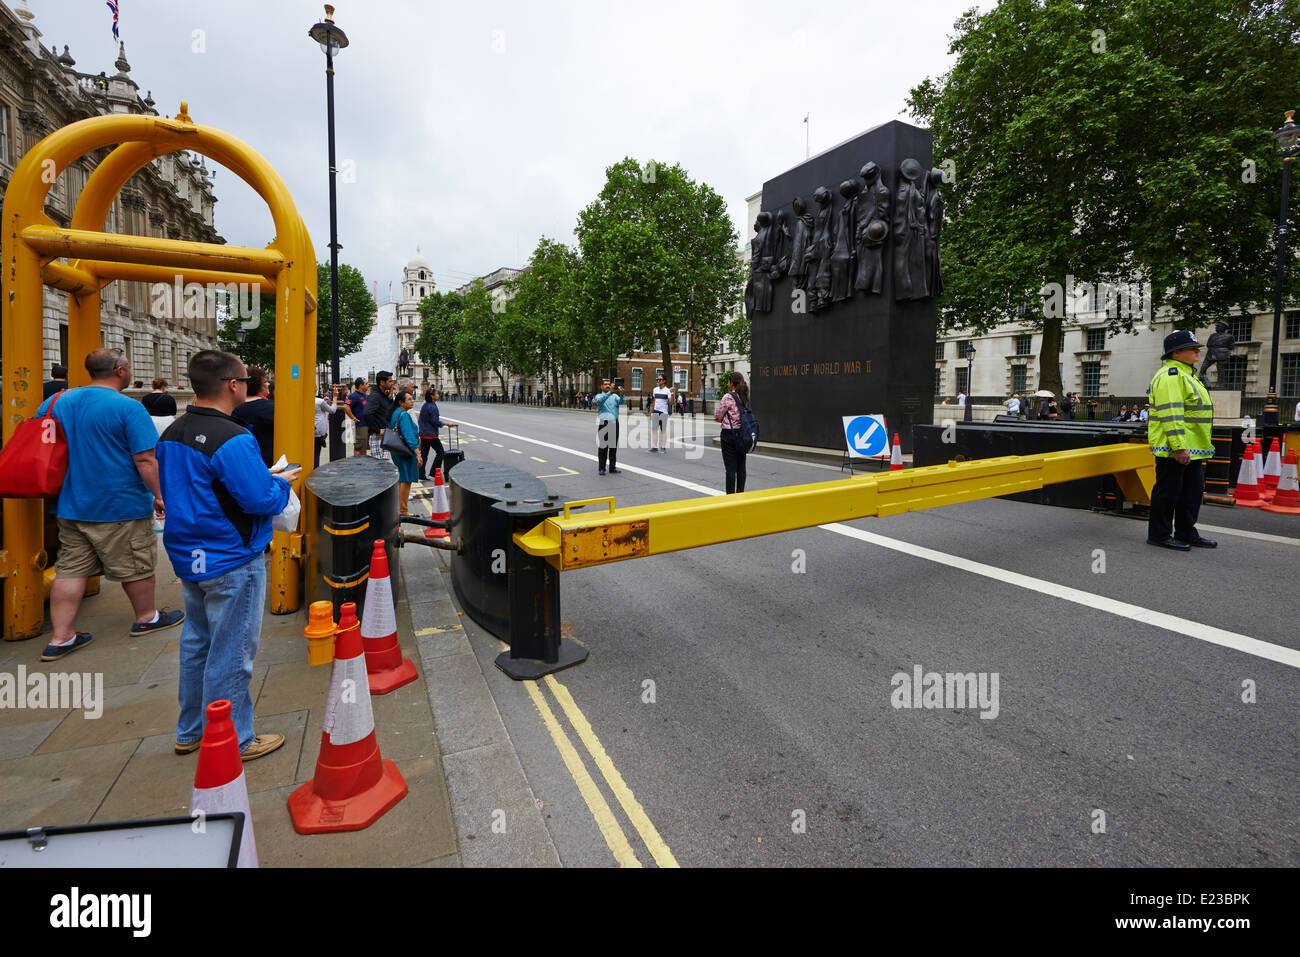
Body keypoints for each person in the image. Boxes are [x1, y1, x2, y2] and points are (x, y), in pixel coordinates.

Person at [157, 350, 298, 760]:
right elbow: (259, 499)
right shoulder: (233, 437)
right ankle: (234, 738)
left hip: (189, 554)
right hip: (231, 556)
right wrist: (282, 484)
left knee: (198, 642)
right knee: (232, 650)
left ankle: (191, 730)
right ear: (233, 385)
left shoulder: (173, 433)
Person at [34, 348, 184, 661]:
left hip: (71, 503)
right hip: (119, 503)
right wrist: (159, 495)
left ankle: (61, 637)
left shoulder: (56, 402)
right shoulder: (127, 408)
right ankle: (147, 617)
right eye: (127, 366)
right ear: (120, 370)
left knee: (70, 569)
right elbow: (144, 458)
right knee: (135, 563)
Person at [1146, 331, 1216, 550]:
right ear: (1176, 353)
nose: (1197, 350)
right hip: (1175, 448)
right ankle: (1159, 535)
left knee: (1191, 493)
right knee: (1168, 493)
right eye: (1191, 347)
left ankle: (1186, 532)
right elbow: (1172, 414)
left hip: (1192, 447)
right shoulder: (1171, 376)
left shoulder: (1187, 375)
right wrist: (1179, 447)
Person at [714, 370, 752, 494]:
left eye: (729, 381)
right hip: (743, 434)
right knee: (741, 467)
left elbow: (717, 416)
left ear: (732, 383)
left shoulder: (728, 397)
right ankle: (740, 493)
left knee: (730, 468)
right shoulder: (745, 395)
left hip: (729, 435)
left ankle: (730, 496)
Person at [232, 365, 274, 466]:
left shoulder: (234, 408)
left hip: (241, 462)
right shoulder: (271, 408)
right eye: (265, 381)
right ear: (257, 385)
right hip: (268, 463)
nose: (268, 384)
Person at [388, 390, 422, 515]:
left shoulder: (396, 412)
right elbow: (409, 437)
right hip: (405, 451)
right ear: (401, 402)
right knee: (406, 479)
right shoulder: (404, 415)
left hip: (397, 450)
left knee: (402, 478)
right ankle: (403, 510)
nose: (412, 401)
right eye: (409, 399)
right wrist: (418, 453)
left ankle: (400, 508)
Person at [594, 378, 625, 475]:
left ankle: (612, 467)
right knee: (603, 447)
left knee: (613, 447)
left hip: (614, 423)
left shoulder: (615, 396)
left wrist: (622, 395)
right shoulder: (599, 396)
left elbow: (622, 403)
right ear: (601, 386)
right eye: (606, 384)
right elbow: (599, 402)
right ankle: (602, 468)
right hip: (604, 423)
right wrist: (609, 393)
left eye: (609, 384)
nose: (608, 385)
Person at [364, 370, 396, 460]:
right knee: (380, 467)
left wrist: (390, 395)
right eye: (389, 381)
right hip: (378, 437)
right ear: (382, 382)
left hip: (385, 436)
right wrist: (377, 430)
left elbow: (388, 411)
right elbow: (367, 413)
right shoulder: (375, 396)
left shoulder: (383, 395)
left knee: (385, 466)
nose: (392, 383)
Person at [418, 387, 448, 478]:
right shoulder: (433, 407)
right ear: (432, 396)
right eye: (436, 394)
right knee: (441, 452)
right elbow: (435, 421)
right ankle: (434, 472)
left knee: (424, 455)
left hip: (423, 434)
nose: (438, 395)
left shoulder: (425, 405)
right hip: (431, 435)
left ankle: (421, 474)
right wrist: (445, 423)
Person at [313, 387, 338, 468]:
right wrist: (335, 397)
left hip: (310, 430)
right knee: (316, 454)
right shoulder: (319, 401)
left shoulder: (317, 401)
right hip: (318, 431)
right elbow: (332, 410)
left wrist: (324, 401)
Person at [650, 374, 673, 453]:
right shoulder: (655, 389)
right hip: (656, 411)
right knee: (654, 430)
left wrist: (672, 393)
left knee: (663, 430)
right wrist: (652, 412)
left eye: (660, 379)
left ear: (664, 381)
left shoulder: (667, 390)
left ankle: (663, 447)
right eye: (658, 379)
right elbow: (654, 401)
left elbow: (671, 402)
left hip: (663, 412)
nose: (658, 381)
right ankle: (654, 447)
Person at [347, 378, 369, 455]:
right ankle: (357, 464)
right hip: (360, 426)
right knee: (358, 447)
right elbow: (346, 407)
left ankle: (363, 464)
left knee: (364, 448)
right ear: (360, 386)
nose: (368, 385)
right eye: (366, 384)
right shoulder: (353, 396)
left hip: (366, 424)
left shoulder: (366, 396)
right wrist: (353, 418)